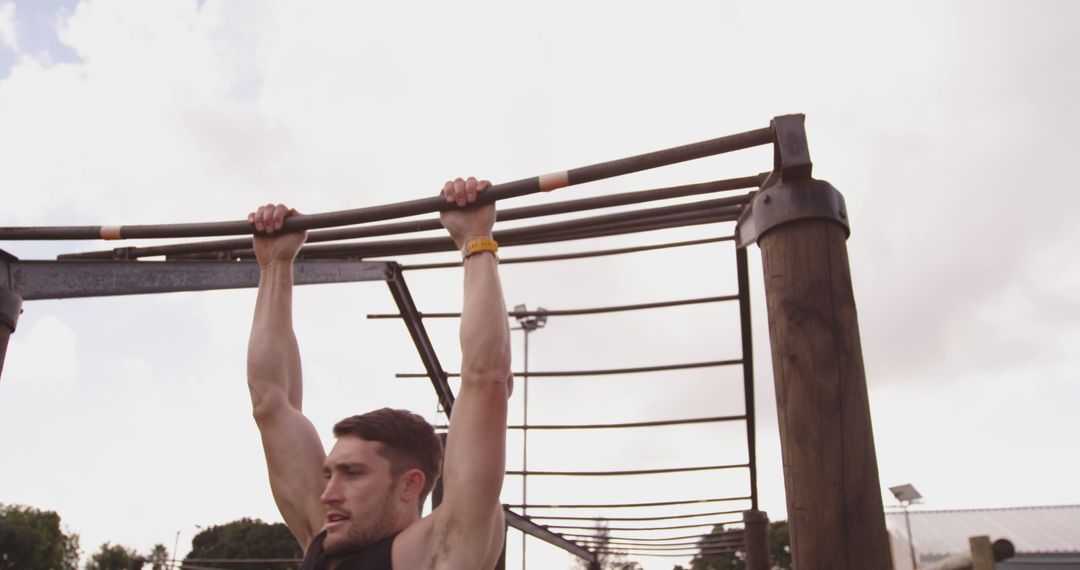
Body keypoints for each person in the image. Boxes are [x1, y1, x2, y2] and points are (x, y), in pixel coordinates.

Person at [245, 176, 511, 570]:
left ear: (409, 485)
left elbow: (486, 379)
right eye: (331, 473)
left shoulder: (439, 552)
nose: (328, 493)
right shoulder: (324, 541)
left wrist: (476, 241)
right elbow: (271, 400)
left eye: (351, 474)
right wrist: (274, 266)